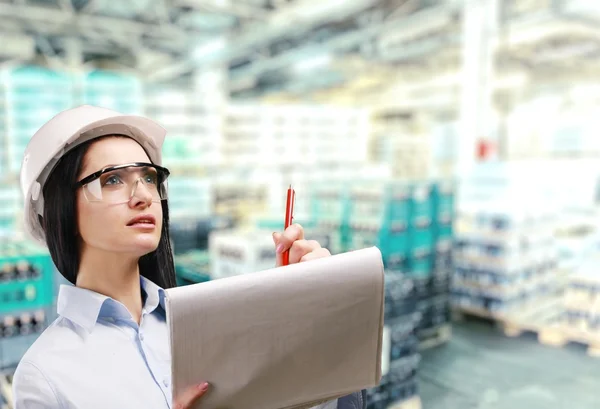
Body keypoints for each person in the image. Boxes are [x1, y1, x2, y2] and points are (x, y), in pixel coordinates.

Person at [11, 105, 367, 409]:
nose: (143, 196)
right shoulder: (44, 374)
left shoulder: (208, 327)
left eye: (149, 178)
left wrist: (310, 313)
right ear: (62, 211)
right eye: (113, 180)